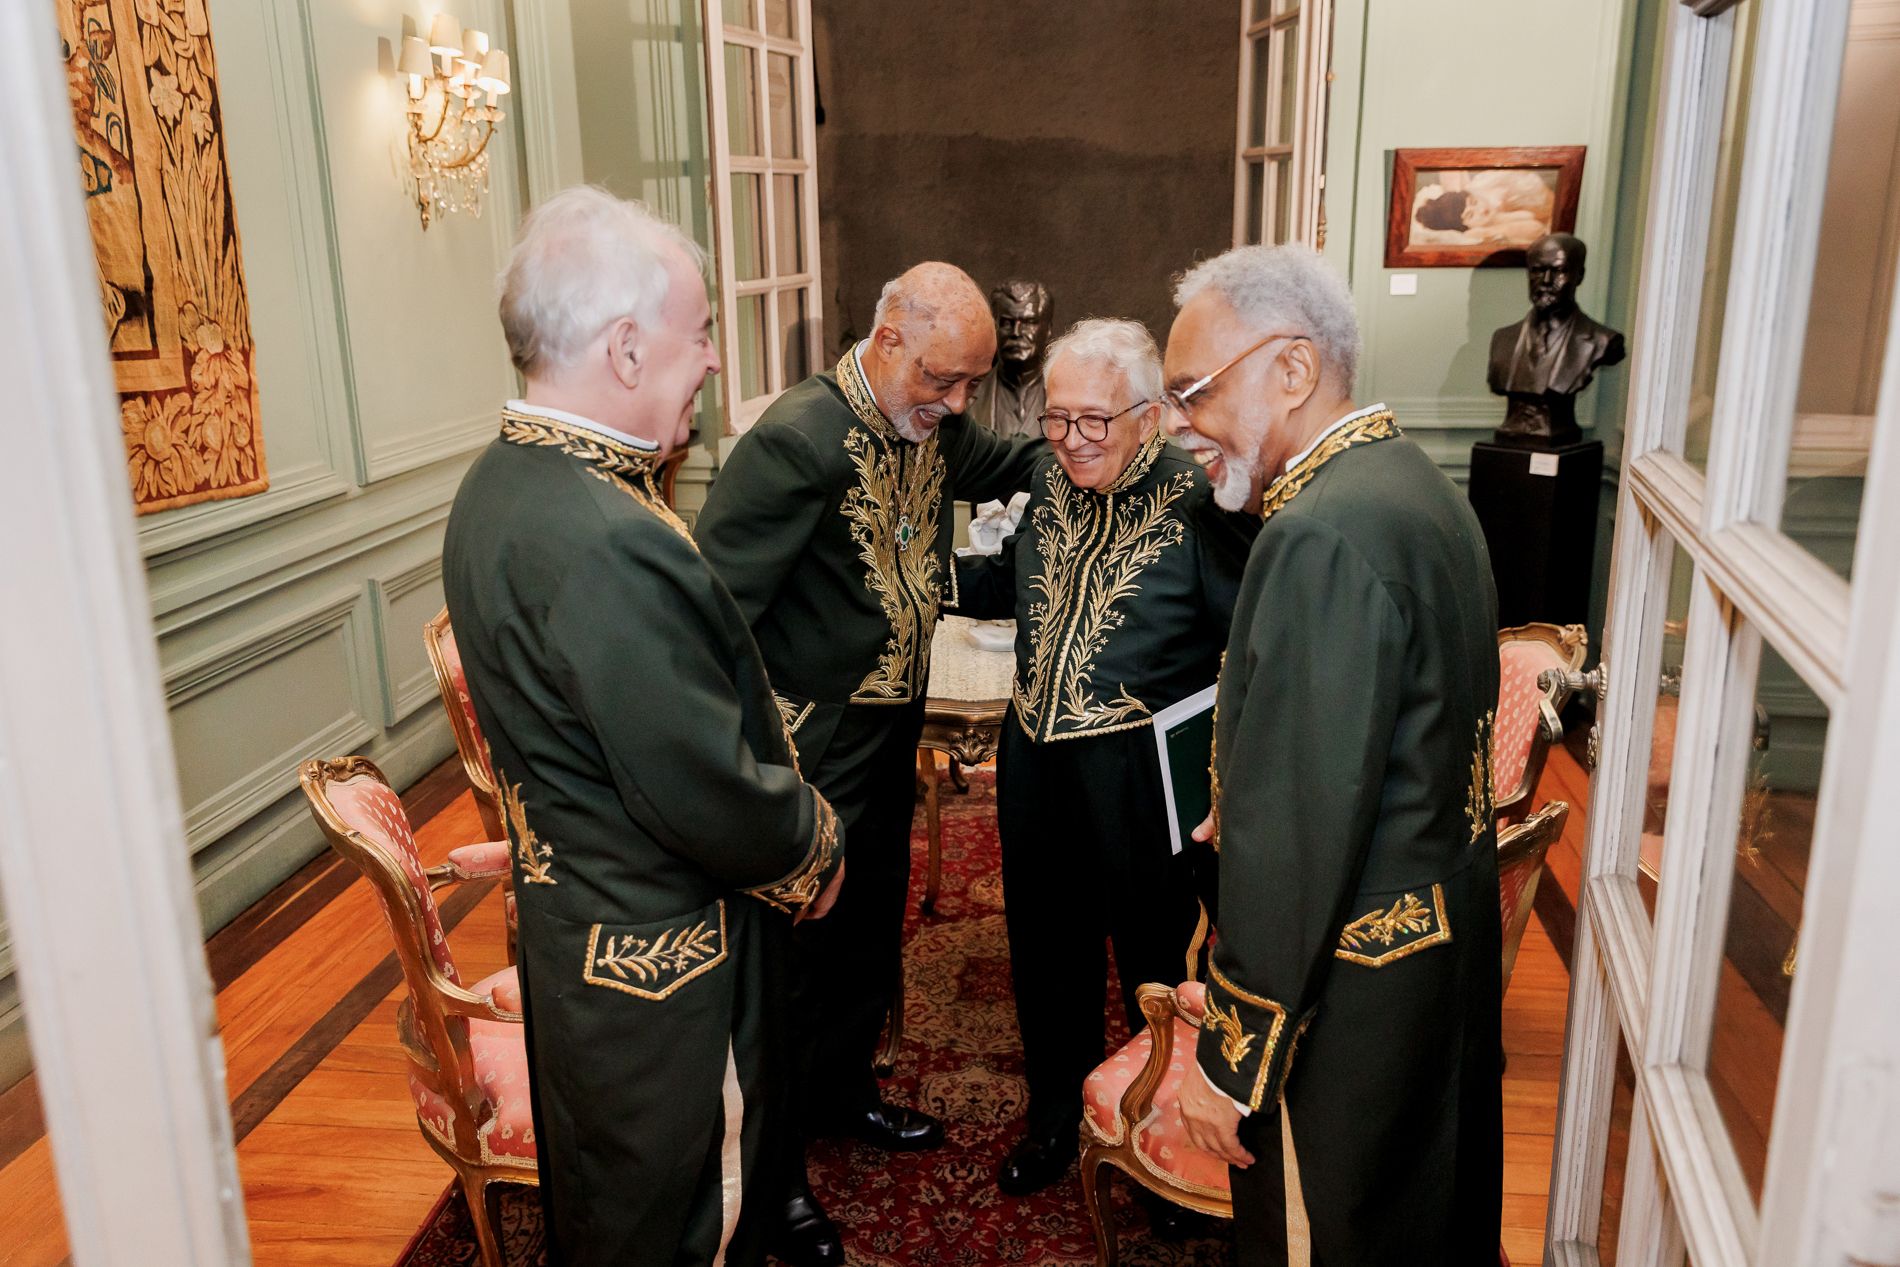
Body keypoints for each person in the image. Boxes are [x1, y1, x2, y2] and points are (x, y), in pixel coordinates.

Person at [441, 187, 846, 1267]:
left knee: (607, 1202)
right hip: (661, 967)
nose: (710, 357)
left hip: (579, 936)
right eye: (699, 330)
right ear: (626, 349)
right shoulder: (603, 528)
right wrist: (814, 844)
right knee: (684, 1218)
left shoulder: (502, 482)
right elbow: (697, 781)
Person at [1161, 244, 1503, 1266]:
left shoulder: (1318, 530)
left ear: (1293, 370)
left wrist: (1230, 1062)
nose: (1177, 423)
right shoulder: (1413, 484)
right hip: (1430, 964)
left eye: (1194, 391)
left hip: (1346, 1001)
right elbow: (1395, 750)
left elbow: (1299, 839)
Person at [694, 261, 1042, 1241]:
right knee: (792, 963)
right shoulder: (794, 442)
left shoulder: (928, 419)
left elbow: (1011, 459)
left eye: (971, 383)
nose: (958, 403)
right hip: (808, 745)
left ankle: (841, 1094)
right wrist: (757, 768)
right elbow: (712, 620)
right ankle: (772, 1179)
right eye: (943, 379)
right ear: (888, 340)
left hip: (891, 728)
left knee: (866, 930)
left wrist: (1103, 434)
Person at [952, 318, 1250, 1196]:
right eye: (1056, 417)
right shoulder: (1050, 476)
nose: (1071, 439)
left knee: (1156, 952)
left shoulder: (1202, 498)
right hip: (1035, 755)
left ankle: (1165, 1121)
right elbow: (1015, 582)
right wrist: (921, 578)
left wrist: (1234, 771)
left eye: (1094, 420)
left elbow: (1252, 643)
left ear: (1149, 415)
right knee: (1045, 942)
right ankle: (1056, 1113)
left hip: (1143, 771)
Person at [1487, 232, 1626, 445]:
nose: (1546, 281)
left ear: (1579, 275)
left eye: (1559, 271)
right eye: (1537, 270)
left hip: (1561, 434)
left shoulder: (1602, 340)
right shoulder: (1503, 339)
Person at [967, 279, 1054, 439]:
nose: (1016, 332)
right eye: (1007, 323)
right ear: (994, 328)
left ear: (1048, 330)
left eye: (1029, 323)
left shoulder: (1070, 396)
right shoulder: (966, 396)